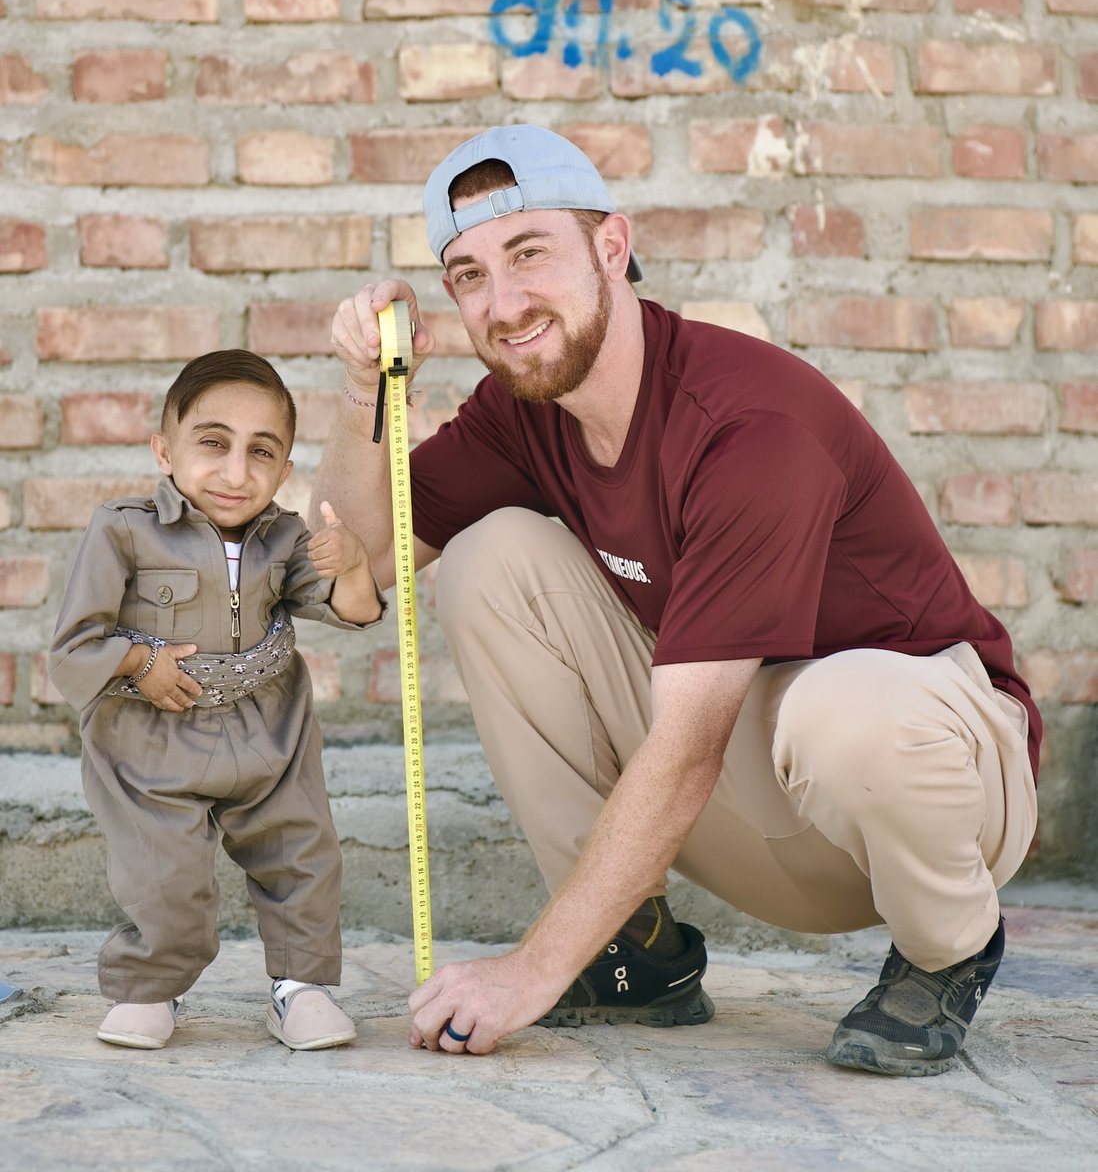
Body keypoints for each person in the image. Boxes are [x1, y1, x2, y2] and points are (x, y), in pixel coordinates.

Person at [313, 125, 1041, 1077]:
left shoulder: (750, 426)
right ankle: (632, 952)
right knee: (490, 555)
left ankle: (948, 950)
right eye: (469, 275)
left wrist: (530, 970)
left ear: (612, 248)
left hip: (931, 789)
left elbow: (689, 745)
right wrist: (368, 387)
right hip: (762, 789)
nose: (504, 302)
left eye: (530, 253)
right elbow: (355, 562)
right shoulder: (526, 413)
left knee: (843, 708)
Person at [50, 350, 386, 1052]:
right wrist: (140, 662)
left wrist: (353, 564)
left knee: (302, 857)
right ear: (163, 451)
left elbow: (352, 613)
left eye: (262, 452)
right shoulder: (122, 530)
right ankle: (152, 987)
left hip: (271, 728)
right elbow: (72, 649)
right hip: (152, 739)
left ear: (285, 469)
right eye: (213, 443)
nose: (237, 473)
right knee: (164, 877)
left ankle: (301, 990)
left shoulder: (287, 537)